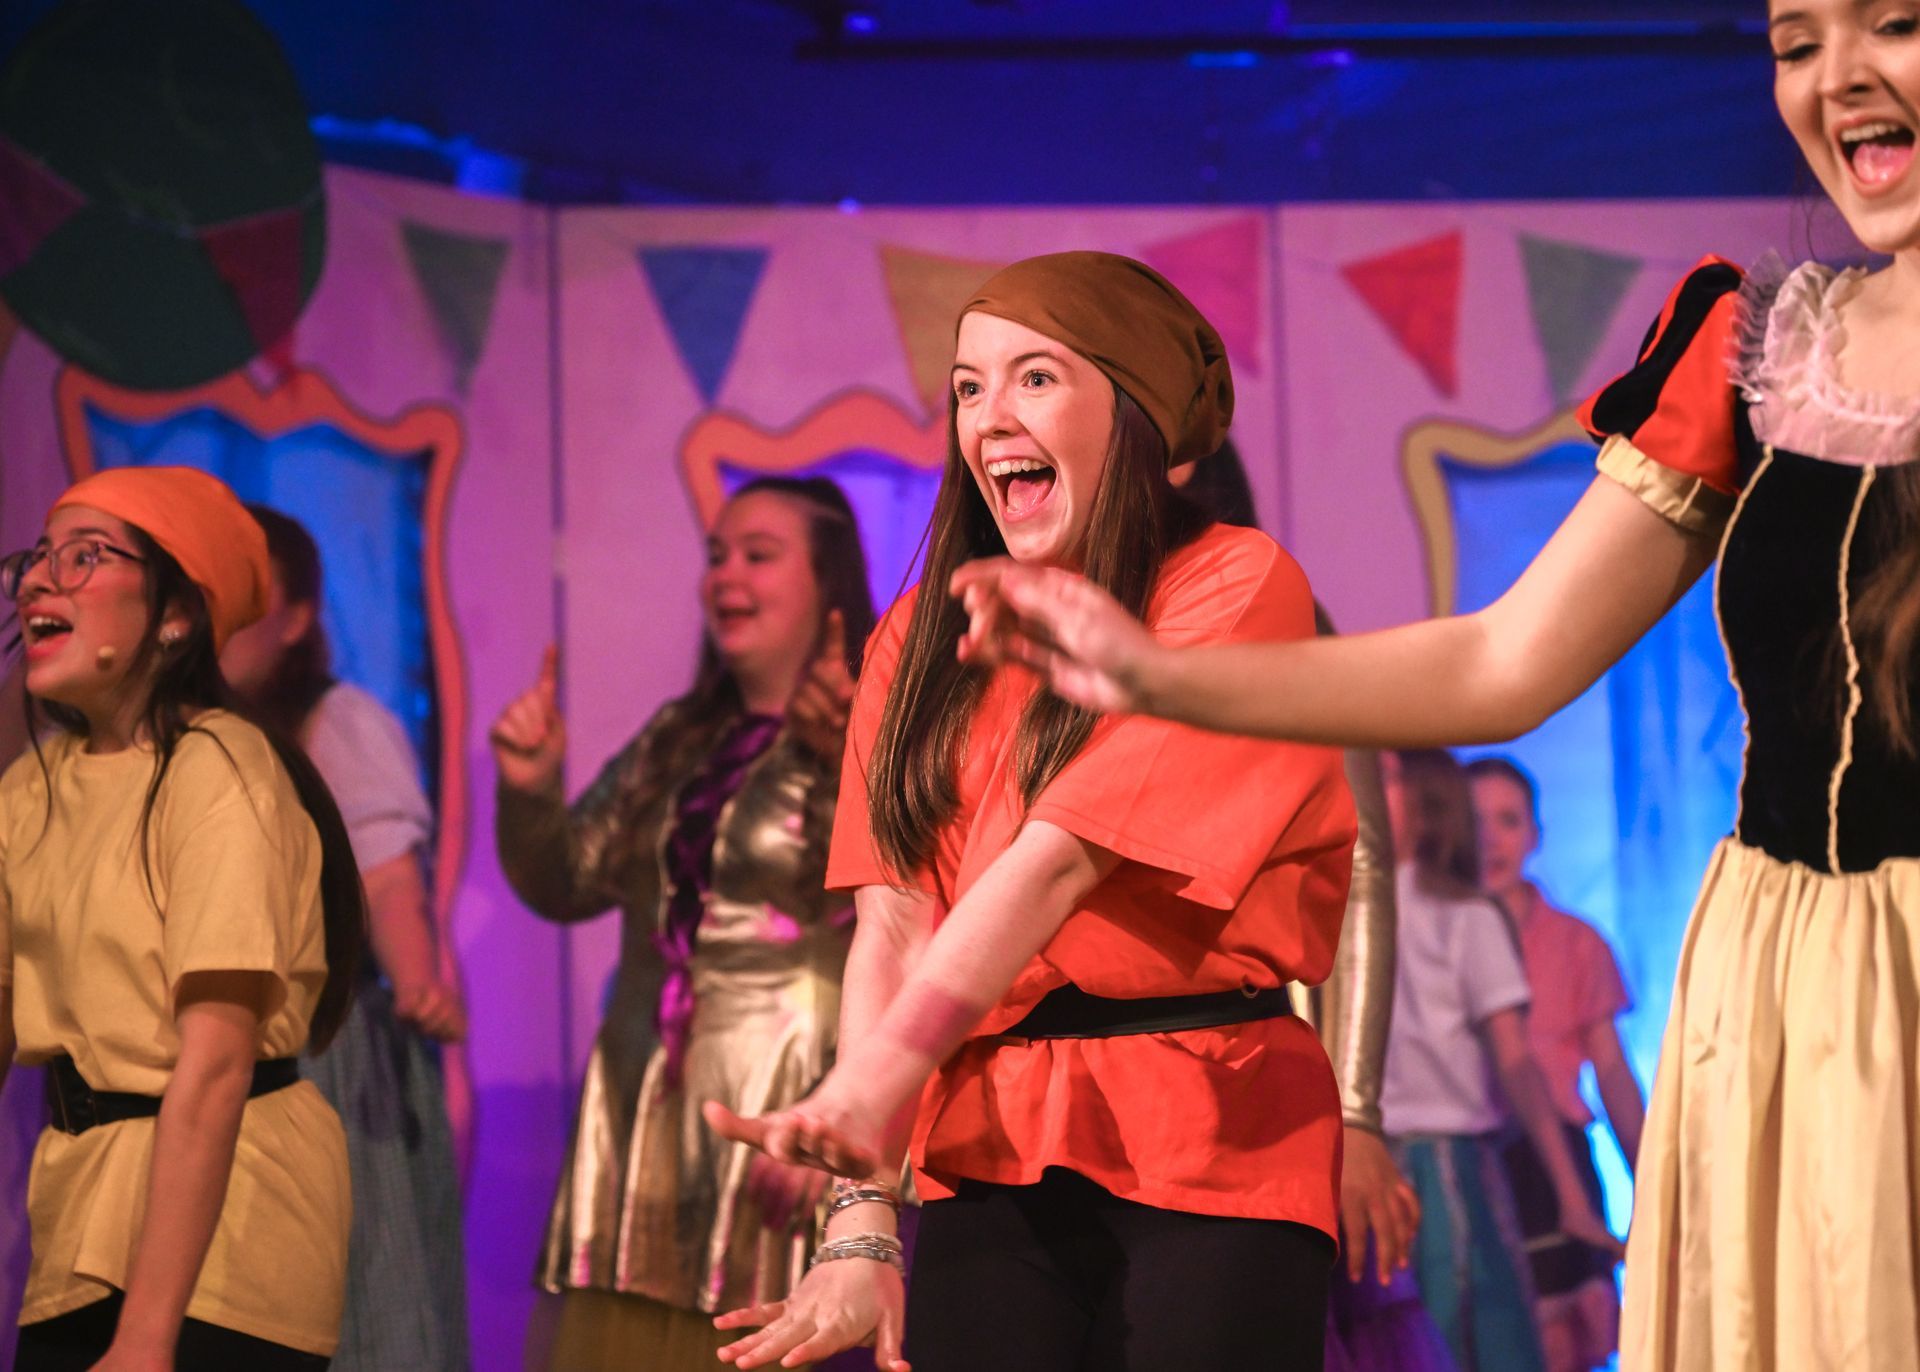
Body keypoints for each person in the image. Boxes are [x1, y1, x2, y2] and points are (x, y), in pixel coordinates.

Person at [951, 6, 1920, 1364]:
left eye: (1896, 25)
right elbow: (1500, 660)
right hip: (1795, 976)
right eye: (1795, 44)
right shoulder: (1757, 347)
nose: (1840, 80)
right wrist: (1156, 671)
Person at [707, 251, 1357, 1372]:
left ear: (1134, 409)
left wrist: (873, 1081)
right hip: (988, 1138)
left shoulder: (1233, 584)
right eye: (968, 387)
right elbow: (893, 925)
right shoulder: (916, 635)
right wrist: (861, 1222)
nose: (990, 416)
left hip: (1215, 1131)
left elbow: (1058, 861)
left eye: (1036, 378)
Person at [490, 476, 874, 1372]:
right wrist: (529, 790)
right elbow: (569, 880)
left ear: (828, 583)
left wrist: (848, 1117)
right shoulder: (679, 735)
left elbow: (911, 931)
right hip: (646, 1109)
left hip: (784, 1107)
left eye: (758, 555)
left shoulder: (878, 735)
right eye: (716, 555)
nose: (726, 575)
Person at [0, 466, 360, 1369]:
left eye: (85, 557)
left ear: (177, 614)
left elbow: (216, 1064)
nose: (39, 580)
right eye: (38, 557)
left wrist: (147, 1336)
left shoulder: (218, 769)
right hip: (80, 1224)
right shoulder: (31, 788)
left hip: (225, 1245)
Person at [221, 505, 471, 1371]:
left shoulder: (334, 720)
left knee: (356, 1299)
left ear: (295, 618)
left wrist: (419, 980)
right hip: (207, 1049)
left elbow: (386, 875)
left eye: (247, 596)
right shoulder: (171, 736)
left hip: (320, 1050)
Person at [1380, 750, 1621, 1372]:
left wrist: (1573, 1193)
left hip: (1469, 1163)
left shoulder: (1474, 919)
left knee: (1476, 1332)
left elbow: (1523, 1063)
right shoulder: (1360, 913)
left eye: (1384, 779)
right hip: (1389, 1165)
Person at [1467, 756, 1640, 1372]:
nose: (1490, 839)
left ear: (1535, 835)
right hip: (1472, 1155)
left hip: (1554, 1162)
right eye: (1474, 820)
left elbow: (1612, 1072)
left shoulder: (1575, 940)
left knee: (1563, 1348)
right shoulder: (1431, 932)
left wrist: (1651, 1182)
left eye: (1508, 821)